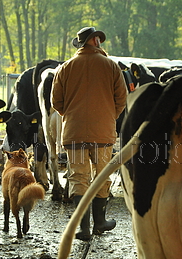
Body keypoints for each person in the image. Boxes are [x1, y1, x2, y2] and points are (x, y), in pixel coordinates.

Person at [51, 27, 127, 240]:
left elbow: (56, 101)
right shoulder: (111, 66)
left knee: (78, 177)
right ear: (94, 41)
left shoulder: (65, 68)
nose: (100, 42)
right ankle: (100, 222)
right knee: (102, 175)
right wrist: (108, 116)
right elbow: (122, 98)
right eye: (98, 39)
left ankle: (83, 228)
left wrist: (71, 116)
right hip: (103, 134)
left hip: (74, 134)